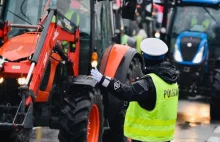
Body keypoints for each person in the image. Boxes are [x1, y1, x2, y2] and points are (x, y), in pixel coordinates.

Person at [90, 38, 179, 142]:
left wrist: (104, 80)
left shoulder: (148, 83)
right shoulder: (171, 80)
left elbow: (126, 92)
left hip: (147, 137)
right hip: (163, 137)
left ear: (145, 57)